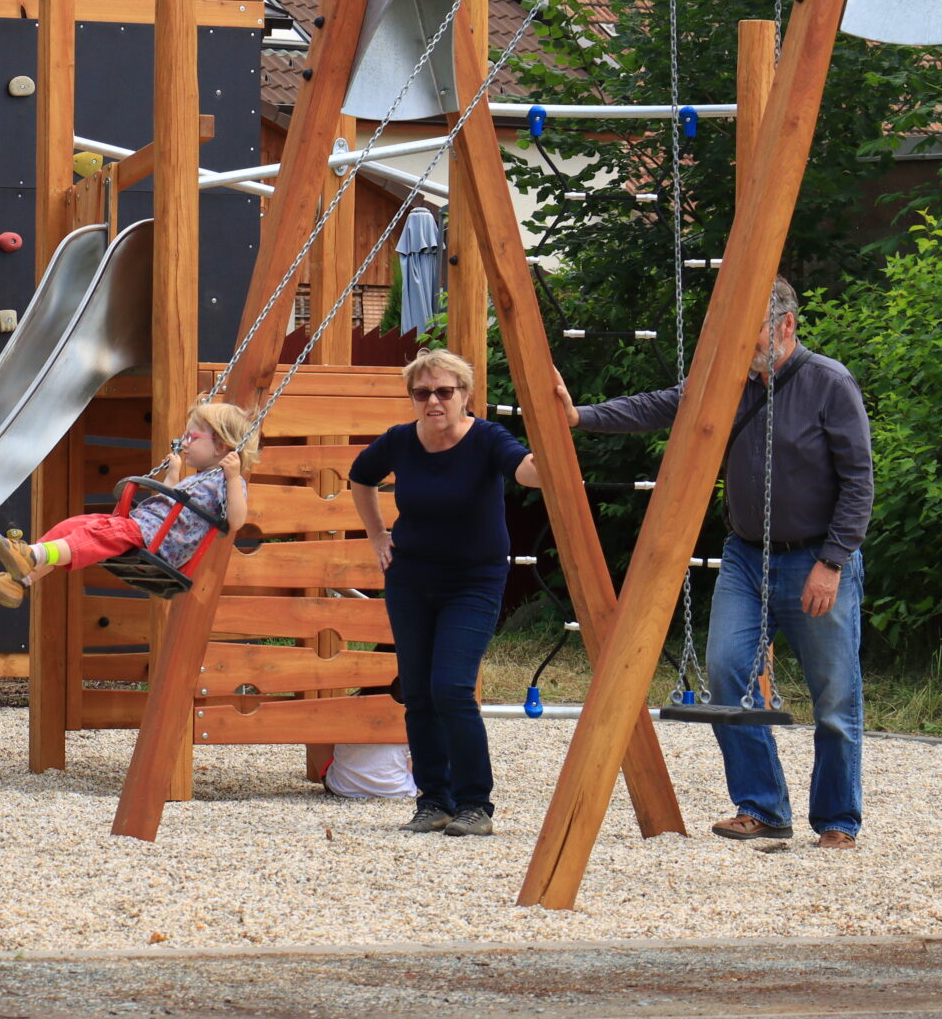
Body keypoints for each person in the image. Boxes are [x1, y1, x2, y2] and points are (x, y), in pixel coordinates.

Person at [552, 276, 872, 850]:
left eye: (749, 331)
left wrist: (832, 562)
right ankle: (762, 807)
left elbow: (858, 483)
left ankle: (837, 820)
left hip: (816, 557)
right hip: (746, 557)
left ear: (786, 325)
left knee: (834, 696)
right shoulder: (730, 381)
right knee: (726, 674)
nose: (739, 344)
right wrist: (580, 416)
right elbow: (660, 405)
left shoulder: (829, 383)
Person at [348, 348, 542, 838]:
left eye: (444, 391)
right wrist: (377, 535)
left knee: (451, 689)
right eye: (422, 393)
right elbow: (361, 477)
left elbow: (526, 471)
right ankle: (433, 800)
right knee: (417, 693)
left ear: (465, 395)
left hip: (472, 581)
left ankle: (475, 804)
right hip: (411, 579)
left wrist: (550, 457)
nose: (433, 401)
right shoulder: (400, 440)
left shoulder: (487, 438)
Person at [0, 402, 256, 607]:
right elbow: (170, 502)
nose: (184, 442)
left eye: (192, 436)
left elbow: (236, 521)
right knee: (74, 526)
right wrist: (173, 474)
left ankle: (31, 554)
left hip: (158, 543)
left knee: (95, 534)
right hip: (141, 530)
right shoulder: (197, 479)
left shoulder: (226, 481)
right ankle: (17, 583)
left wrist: (233, 478)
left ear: (220, 446)